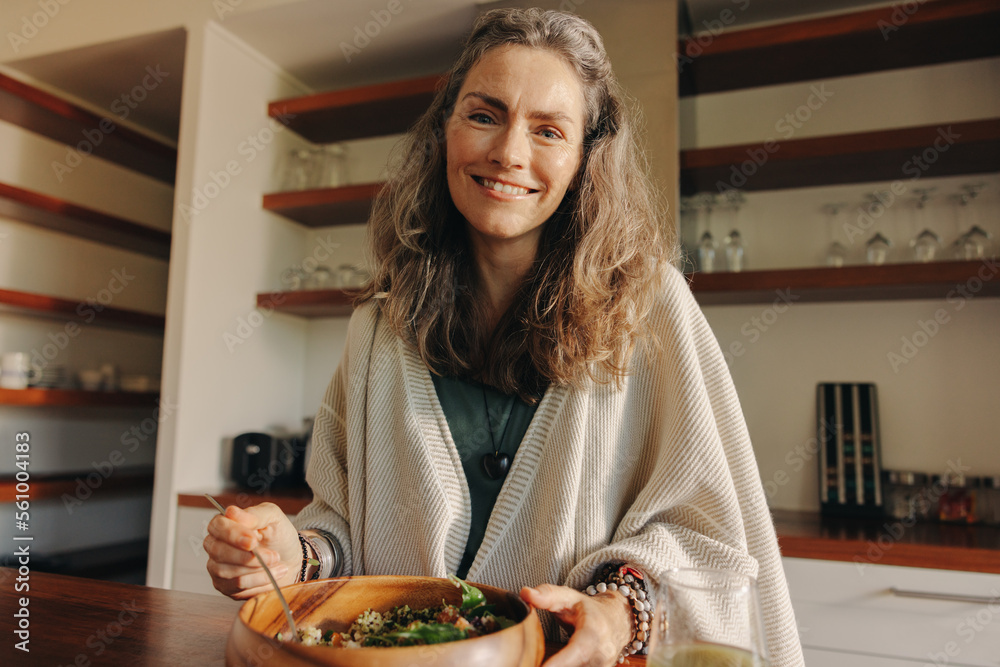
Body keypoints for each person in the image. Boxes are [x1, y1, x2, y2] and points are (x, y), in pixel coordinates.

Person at [205, 8, 805, 667]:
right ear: (445, 131)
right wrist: (294, 550)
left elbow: (710, 544)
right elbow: (341, 526)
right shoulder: (377, 328)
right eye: (485, 114)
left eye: (548, 129)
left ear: (584, 158)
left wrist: (616, 612)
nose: (509, 152)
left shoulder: (650, 306)